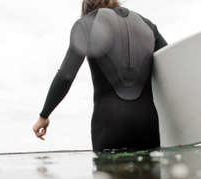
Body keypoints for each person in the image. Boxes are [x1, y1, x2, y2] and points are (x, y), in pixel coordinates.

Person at [33, 0, 168, 152]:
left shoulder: (86, 24)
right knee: (149, 173)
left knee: (109, 173)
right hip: (147, 124)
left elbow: (66, 75)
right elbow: (172, 67)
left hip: (109, 125)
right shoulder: (148, 25)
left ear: (87, 5)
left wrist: (44, 116)